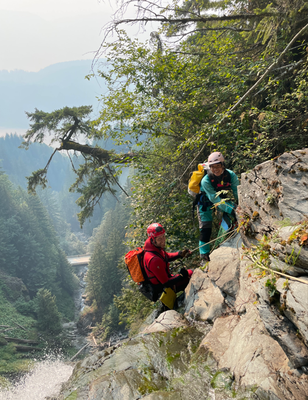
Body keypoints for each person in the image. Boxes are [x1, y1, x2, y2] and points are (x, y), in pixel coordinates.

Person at [198, 152, 239, 265]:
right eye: (212, 167)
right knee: (205, 228)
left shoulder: (231, 175)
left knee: (232, 213)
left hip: (221, 196)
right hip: (204, 202)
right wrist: (233, 209)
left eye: (217, 166)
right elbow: (215, 200)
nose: (215, 169)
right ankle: (204, 255)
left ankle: (228, 234)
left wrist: (240, 207)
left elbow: (237, 192)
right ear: (209, 168)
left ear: (223, 165)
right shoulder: (206, 180)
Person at [142, 223, 193, 306]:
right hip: (163, 289)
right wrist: (181, 275)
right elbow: (166, 282)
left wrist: (180, 254)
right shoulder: (154, 259)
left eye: (163, 236)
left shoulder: (154, 247)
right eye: (159, 238)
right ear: (152, 239)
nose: (163, 240)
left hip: (166, 281)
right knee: (191, 274)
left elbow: (166, 256)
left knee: (189, 273)